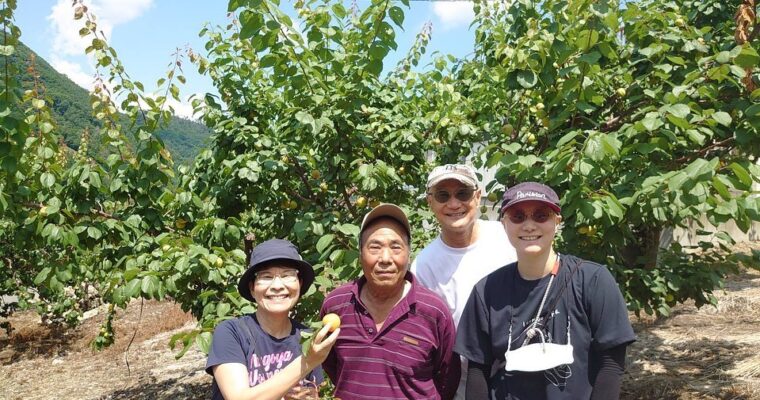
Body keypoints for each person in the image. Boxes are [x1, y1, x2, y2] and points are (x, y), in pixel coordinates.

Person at [455, 182, 636, 400]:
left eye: (541, 215)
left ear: (557, 222)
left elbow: (611, 366)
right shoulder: (486, 291)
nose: (529, 225)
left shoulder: (593, 281)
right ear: (504, 224)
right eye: (517, 216)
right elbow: (478, 370)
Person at [320, 203, 460, 400]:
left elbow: (447, 379)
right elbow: (333, 366)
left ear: (408, 254)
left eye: (396, 247)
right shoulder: (336, 305)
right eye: (375, 247)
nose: (385, 258)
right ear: (360, 253)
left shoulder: (433, 311)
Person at [411, 163, 517, 399]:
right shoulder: (423, 266)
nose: (454, 204)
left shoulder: (507, 237)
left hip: (521, 377)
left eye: (463, 193)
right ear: (430, 202)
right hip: (464, 386)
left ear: (478, 197)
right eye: (442, 195)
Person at [205, 239, 339, 400]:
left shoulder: (307, 336)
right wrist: (308, 360)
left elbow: (315, 390)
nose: (277, 285)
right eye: (266, 276)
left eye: (287, 275)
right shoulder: (231, 332)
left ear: (300, 284)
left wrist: (311, 397)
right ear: (252, 288)